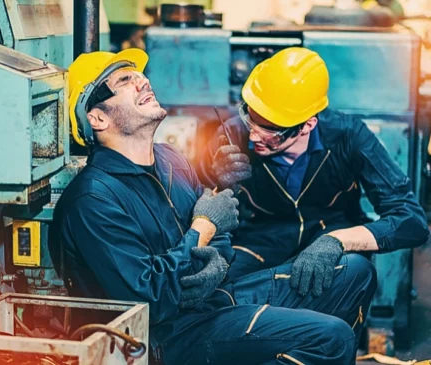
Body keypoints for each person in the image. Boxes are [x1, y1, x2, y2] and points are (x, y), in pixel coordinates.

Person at [53, 48, 377, 365]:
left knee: (354, 272)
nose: (142, 81)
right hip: (164, 337)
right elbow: (149, 299)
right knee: (331, 337)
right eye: (124, 80)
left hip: (211, 300)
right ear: (96, 117)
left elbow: (219, 234)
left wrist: (214, 263)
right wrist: (201, 230)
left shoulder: (170, 160)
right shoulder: (93, 199)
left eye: (140, 75)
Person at [198, 46, 429, 300]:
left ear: (307, 124)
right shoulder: (231, 136)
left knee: (356, 272)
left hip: (329, 233)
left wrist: (337, 240)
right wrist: (214, 179)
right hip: (260, 241)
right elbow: (193, 210)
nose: (253, 135)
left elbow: (411, 221)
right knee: (214, 285)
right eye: (250, 119)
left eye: (270, 129)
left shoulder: (349, 137)